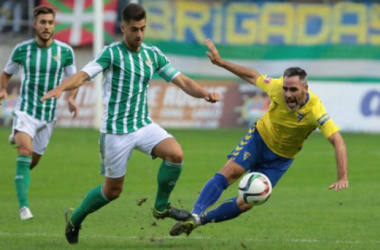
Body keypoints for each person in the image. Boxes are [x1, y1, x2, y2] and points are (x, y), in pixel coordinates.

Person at [41, 3, 220, 245]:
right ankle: (75, 218)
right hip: (116, 132)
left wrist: (204, 93)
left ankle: (160, 207)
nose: (139, 35)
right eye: (134, 29)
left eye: (143, 29)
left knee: (175, 154)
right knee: (112, 191)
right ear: (123, 27)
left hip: (143, 125)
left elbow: (182, 81)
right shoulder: (111, 53)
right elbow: (84, 75)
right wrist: (63, 87)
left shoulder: (152, 54)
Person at [169, 39, 348, 236]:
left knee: (247, 202)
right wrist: (221, 62)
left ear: (305, 88)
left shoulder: (315, 110)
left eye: (293, 90)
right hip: (259, 139)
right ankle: (194, 214)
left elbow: (337, 140)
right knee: (230, 173)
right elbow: (253, 75)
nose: (287, 94)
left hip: (280, 160)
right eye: (286, 89)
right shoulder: (276, 87)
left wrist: (342, 176)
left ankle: (199, 222)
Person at [0, 6, 78, 220]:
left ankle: (17, 139)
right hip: (25, 111)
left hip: (48, 117)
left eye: (50, 22)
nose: (46, 26)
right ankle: (23, 207)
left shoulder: (65, 52)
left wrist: (71, 98)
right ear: (35, 24)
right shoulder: (22, 49)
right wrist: (2, 89)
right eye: (42, 22)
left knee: (31, 161)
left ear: (54, 25)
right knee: (24, 151)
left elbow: (74, 80)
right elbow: (6, 74)